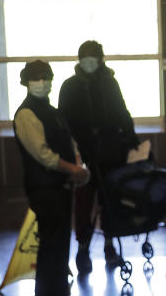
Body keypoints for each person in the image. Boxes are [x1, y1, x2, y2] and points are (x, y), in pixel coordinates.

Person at [13, 60, 90, 296]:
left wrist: (77, 163)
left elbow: (69, 142)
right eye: (37, 77)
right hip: (45, 188)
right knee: (50, 248)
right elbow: (43, 155)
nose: (43, 82)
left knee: (60, 247)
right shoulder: (26, 114)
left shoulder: (52, 111)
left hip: (61, 186)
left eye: (46, 77)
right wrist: (73, 170)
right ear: (25, 81)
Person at [58, 40, 141, 275]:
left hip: (111, 151)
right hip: (83, 153)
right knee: (84, 202)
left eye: (93, 58)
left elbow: (122, 112)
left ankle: (109, 245)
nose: (89, 63)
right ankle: (83, 249)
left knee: (110, 200)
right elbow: (63, 122)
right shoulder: (70, 86)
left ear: (101, 59)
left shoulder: (109, 84)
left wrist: (132, 140)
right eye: (85, 58)